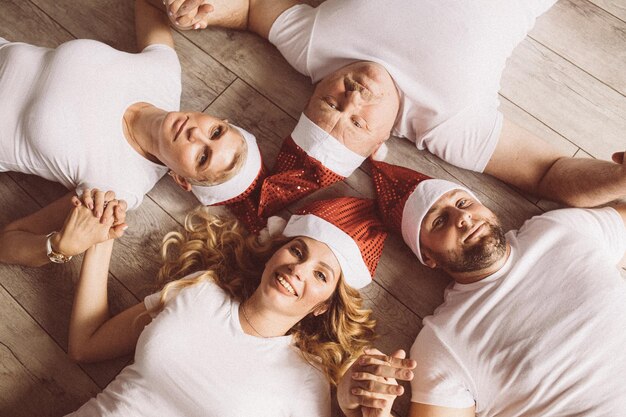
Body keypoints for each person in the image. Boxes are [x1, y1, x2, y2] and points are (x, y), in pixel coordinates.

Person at [166, 0, 626, 215]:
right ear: (379, 143)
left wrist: (206, 9)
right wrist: (620, 178)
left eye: (330, 101)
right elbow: (549, 173)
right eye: (357, 120)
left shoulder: (312, 49)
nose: (352, 97)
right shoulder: (447, 125)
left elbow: (249, 10)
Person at [63, 194, 416, 416]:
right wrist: (101, 239)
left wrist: (369, 413)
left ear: (322, 307)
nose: (297, 269)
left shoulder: (306, 380)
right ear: (273, 253)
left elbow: (352, 403)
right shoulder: (200, 291)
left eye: (321, 276)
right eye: (297, 251)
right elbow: (86, 344)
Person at [0, 0, 263, 267]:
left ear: (183, 181)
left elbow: (9, 242)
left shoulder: (116, 188)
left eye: (202, 157)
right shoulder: (164, 72)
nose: (196, 134)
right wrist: (175, 8)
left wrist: (59, 246)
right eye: (216, 131)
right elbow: (148, 4)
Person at [371, 159, 626, 416]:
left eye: (463, 202)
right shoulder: (442, 341)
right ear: (429, 257)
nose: (462, 217)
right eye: (439, 221)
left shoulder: (560, 229)